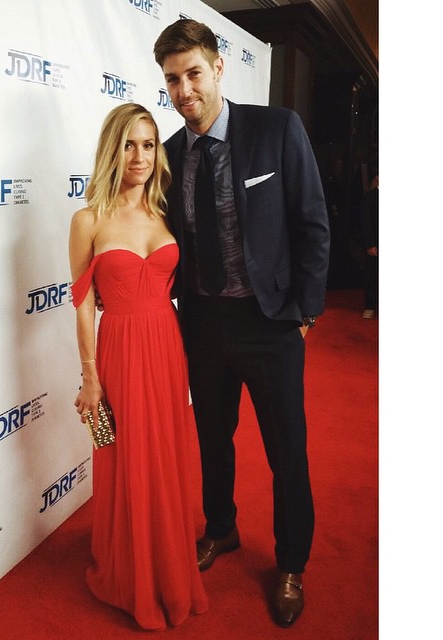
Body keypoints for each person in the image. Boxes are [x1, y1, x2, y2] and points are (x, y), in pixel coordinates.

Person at [153, 19, 330, 627]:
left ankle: (291, 563)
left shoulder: (277, 128)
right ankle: (221, 528)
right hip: (203, 323)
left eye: (193, 74)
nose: (184, 90)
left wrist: (305, 311)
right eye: (172, 80)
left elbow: (312, 221)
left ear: (218, 67)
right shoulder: (169, 156)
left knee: (287, 451)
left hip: (270, 321)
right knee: (212, 438)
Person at [69, 103, 208, 631]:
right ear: (112, 149)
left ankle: (167, 559)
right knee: (127, 456)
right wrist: (90, 376)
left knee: (165, 454)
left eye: (148, 145)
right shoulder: (88, 220)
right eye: (129, 144)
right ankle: (130, 569)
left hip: (166, 347)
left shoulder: (167, 212)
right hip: (120, 350)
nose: (140, 156)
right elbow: (83, 303)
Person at [360, 171, 378, 318]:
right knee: (372, 275)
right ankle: (370, 306)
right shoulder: (369, 198)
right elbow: (365, 223)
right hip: (376, 243)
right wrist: (370, 244)